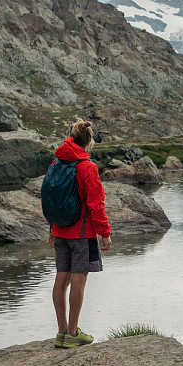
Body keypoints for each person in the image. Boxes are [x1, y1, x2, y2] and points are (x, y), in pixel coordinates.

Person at [47, 119, 111, 349]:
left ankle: (61, 332)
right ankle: (73, 333)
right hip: (82, 234)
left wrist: (52, 228)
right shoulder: (87, 167)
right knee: (78, 281)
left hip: (60, 231)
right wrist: (105, 233)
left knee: (60, 278)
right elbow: (96, 203)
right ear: (88, 141)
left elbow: (51, 198)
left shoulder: (57, 162)